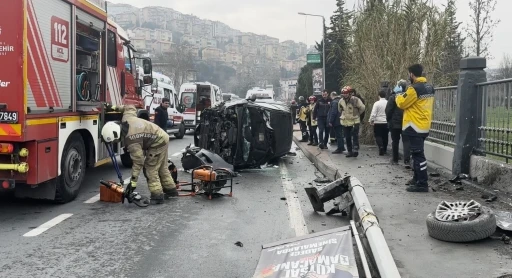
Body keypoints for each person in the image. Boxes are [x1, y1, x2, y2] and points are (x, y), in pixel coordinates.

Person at [101, 105, 179, 204]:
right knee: (162, 168)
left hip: (158, 142)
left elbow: (138, 162)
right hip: (162, 137)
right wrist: (113, 107)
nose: (116, 142)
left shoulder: (132, 141)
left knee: (150, 169)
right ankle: (171, 191)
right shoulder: (126, 119)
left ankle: (157, 196)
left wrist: (133, 182)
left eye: (114, 140)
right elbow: (130, 108)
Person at [396, 64, 435, 192]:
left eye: (409, 74)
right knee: (416, 154)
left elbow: (402, 103)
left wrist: (398, 95)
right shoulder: (430, 87)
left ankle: (422, 183)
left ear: (412, 74)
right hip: (424, 125)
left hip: (414, 126)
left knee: (418, 155)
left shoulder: (414, 89)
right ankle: (416, 178)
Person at [386, 79, 411, 165]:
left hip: (395, 123)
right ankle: (407, 160)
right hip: (406, 122)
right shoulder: (408, 96)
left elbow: (388, 110)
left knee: (395, 141)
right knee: (406, 141)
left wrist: (388, 120)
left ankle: (395, 159)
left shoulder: (393, 97)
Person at [339, 86, 365, 157]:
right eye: (343, 93)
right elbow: (339, 109)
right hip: (346, 122)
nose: (345, 94)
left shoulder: (356, 100)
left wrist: (357, 114)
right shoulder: (341, 101)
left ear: (350, 93)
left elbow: (362, 107)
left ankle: (355, 149)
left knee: (355, 135)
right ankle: (349, 151)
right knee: (347, 137)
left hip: (354, 121)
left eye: (346, 93)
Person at [369, 90, 389, 156]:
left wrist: (371, 120)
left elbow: (373, 113)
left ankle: (380, 146)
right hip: (386, 121)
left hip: (378, 122)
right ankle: (385, 149)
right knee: (385, 136)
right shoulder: (388, 102)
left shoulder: (376, 103)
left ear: (379, 96)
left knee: (378, 135)